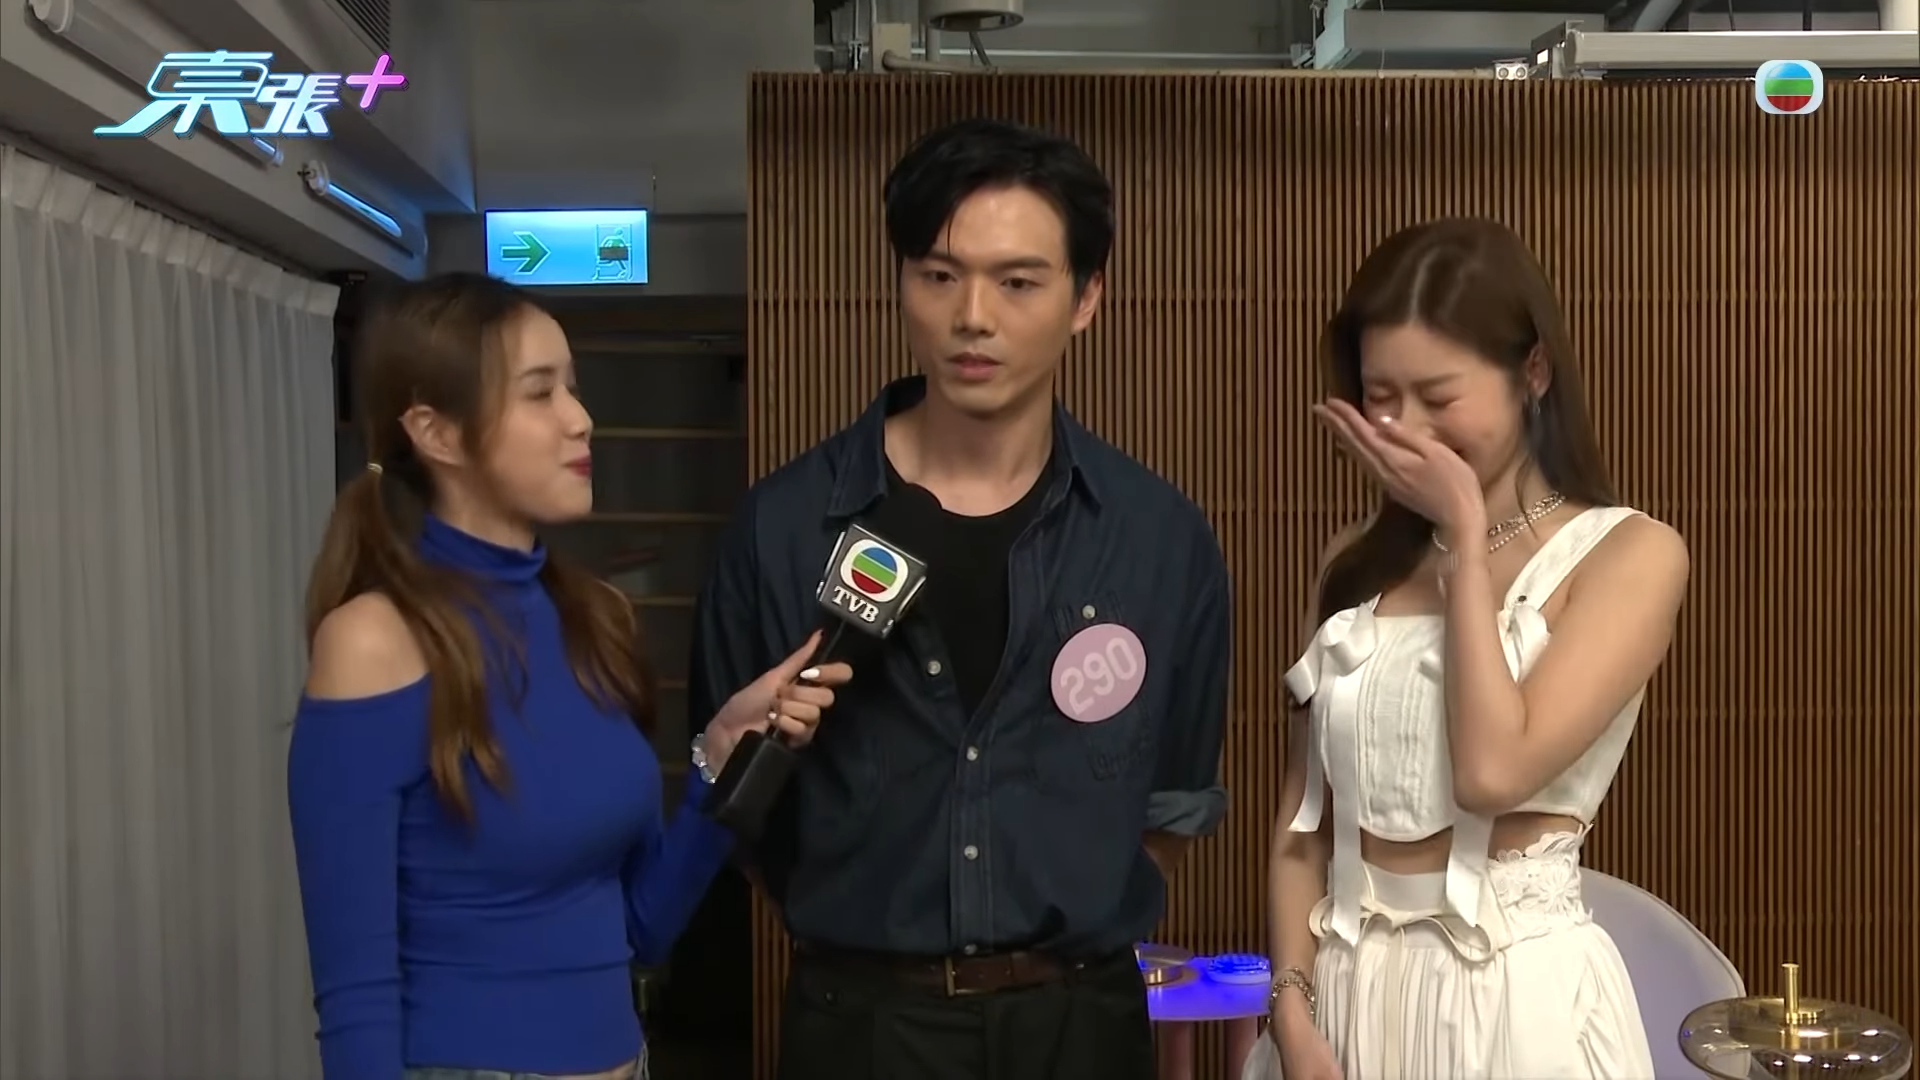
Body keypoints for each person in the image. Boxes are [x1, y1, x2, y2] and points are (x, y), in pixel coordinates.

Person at [688, 118, 1234, 1080]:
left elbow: (1170, 807)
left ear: (1086, 298)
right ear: (902, 282)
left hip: (1084, 1027)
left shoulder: (1159, 536)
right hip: (860, 1026)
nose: (972, 316)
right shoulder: (782, 529)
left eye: (1017, 283)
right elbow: (737, 812)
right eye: (939, 275)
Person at [286, 273, 853, 1080]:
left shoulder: (595, 618)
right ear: (436, 432)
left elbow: (641, 931)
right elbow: (354, 993)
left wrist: (718, 764)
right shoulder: (374, 642)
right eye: (539, 392)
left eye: (573, 387)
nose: (580, 418)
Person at [1259, 218, 1688, 1080]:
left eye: (1438, 397)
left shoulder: (1630, 555)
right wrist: (1292, 1009)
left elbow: (1493, 772)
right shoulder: (1353, 564)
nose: (1404, 427)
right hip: (1344, 998)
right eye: (1381, 396)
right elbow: (1303, 824)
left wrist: (1463, 543)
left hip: (1511, 999)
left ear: (1533, 373)